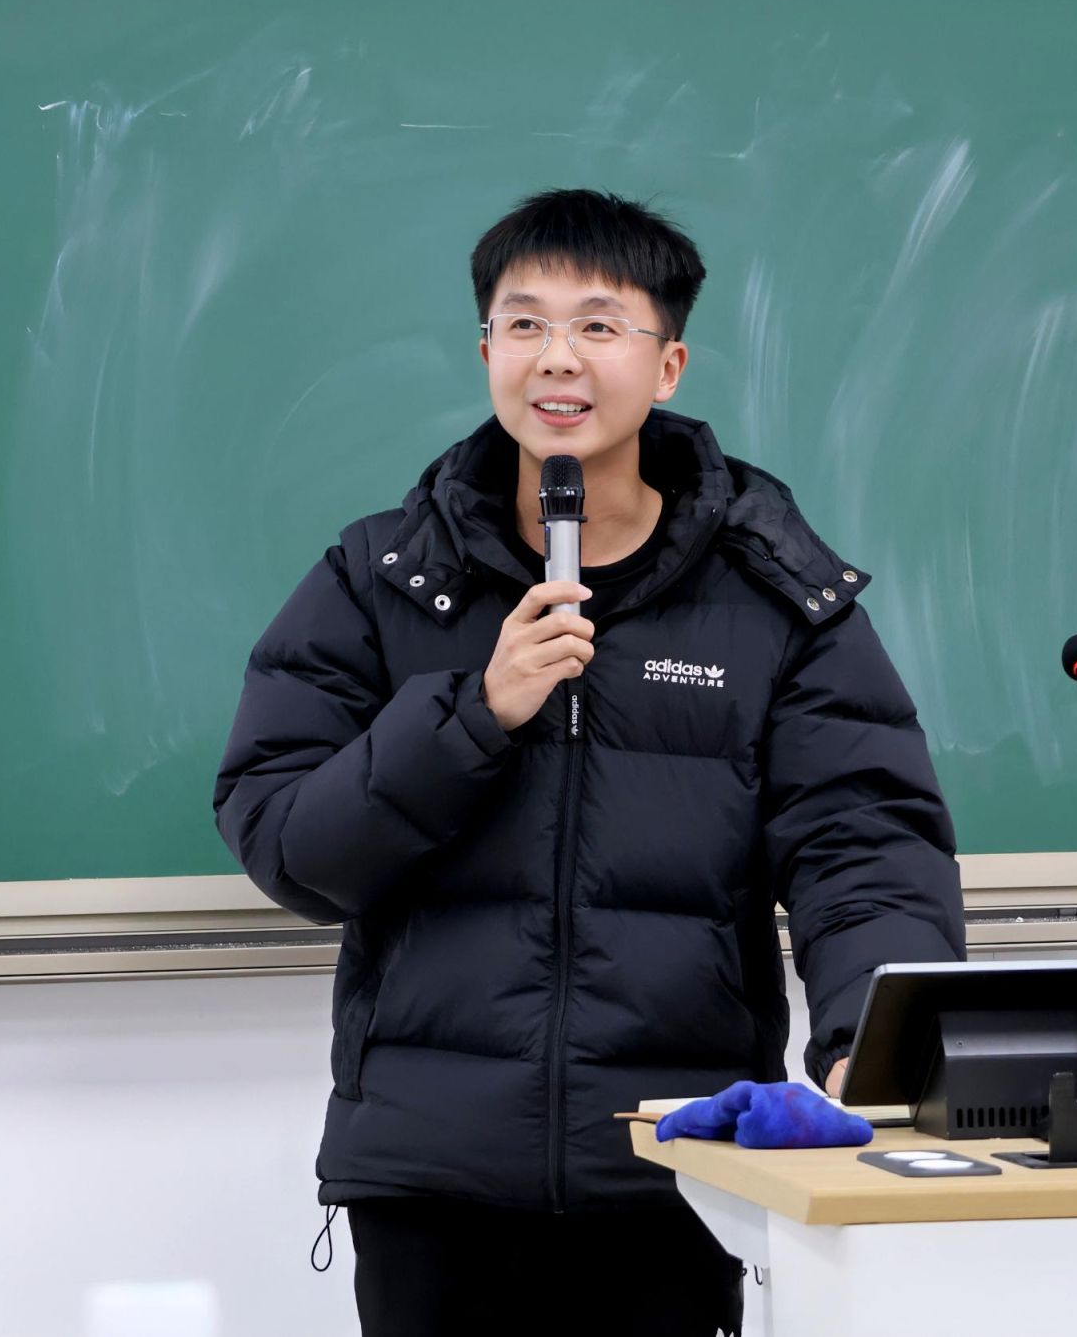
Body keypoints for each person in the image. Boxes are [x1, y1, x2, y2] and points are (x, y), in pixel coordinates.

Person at [214, 188, 964, 1336]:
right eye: (523, 323)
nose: (556, 357)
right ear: (485, 352)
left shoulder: (773, 599)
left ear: (666, 365)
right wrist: (472, 714)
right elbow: (289, 846)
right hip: (431, 1185)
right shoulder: (382, 580)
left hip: (673, 1172)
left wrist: (873, 1046)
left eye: (598, 325)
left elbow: (863, 848)